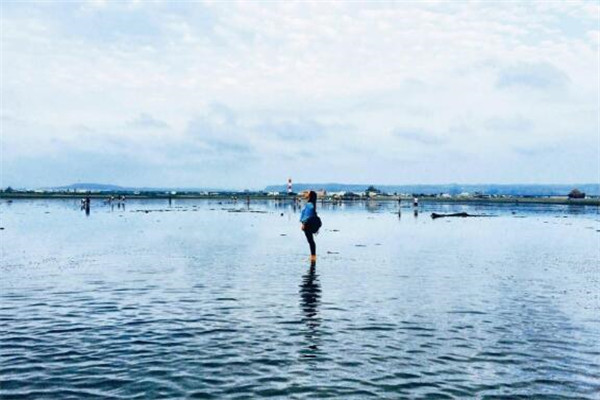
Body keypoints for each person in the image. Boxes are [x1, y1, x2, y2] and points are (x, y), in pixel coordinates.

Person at [300, 191, 318, 263]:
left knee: (310, 241)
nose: (305, 193)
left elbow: (307, 215)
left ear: (310, 195)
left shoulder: (309, 205)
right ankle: (313, 256)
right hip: (308, 224)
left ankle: (313, 257)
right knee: (311, 241)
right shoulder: (312, 204)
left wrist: (304, 224)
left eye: (307, 193)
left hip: (307, 224)